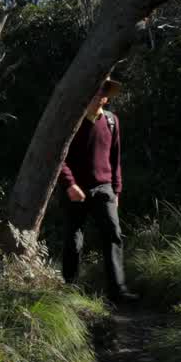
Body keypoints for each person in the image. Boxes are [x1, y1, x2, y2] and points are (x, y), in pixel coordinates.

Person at [58, 78, 139, 302]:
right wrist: (70, 184)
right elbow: (59, 157)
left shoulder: (112, 121)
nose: (98, 95)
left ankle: (118, 291)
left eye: (102, 91)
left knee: (113, 235)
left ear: (106, 96)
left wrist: (117, 192)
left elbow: (115, 160)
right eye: (94, 91)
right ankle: (70, 291)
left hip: (104, 188)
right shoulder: (72, 121)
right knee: (74, 240)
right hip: (75, 189)